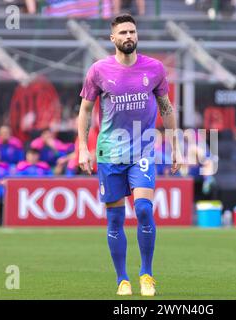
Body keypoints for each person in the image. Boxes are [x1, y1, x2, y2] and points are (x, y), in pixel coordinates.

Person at [78, 14, 181, 297]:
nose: (128, 36)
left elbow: (167, 108)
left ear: (137, 35)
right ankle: (122, 279)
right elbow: (85, 110)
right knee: (114, 220)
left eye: (132, 31)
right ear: (113, 38)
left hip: (143, 150)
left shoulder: (155, 69)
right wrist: (83, 147)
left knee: (144, 209)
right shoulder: (98, 71)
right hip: (109, 152)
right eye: (122, 32)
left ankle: (146, 274)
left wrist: (175, 145)